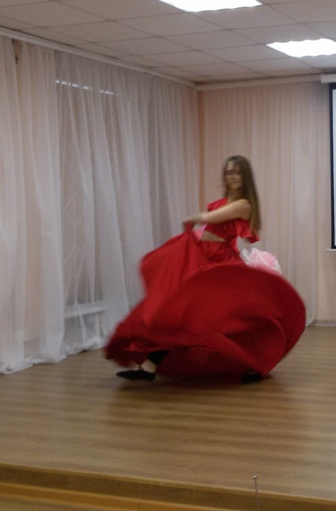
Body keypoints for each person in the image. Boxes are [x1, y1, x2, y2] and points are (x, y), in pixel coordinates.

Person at [106, 155, 304, 383]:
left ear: (245, 176)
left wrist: (195, 218)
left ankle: (256, 366)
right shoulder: (227, 201)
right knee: (182, 313)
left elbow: (212, 218)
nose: (231, 176)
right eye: (228, 172)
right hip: (204, 256)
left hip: (220, 262)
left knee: (225, 319)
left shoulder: (243, 205)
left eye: (237, 172)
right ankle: (149, 367)